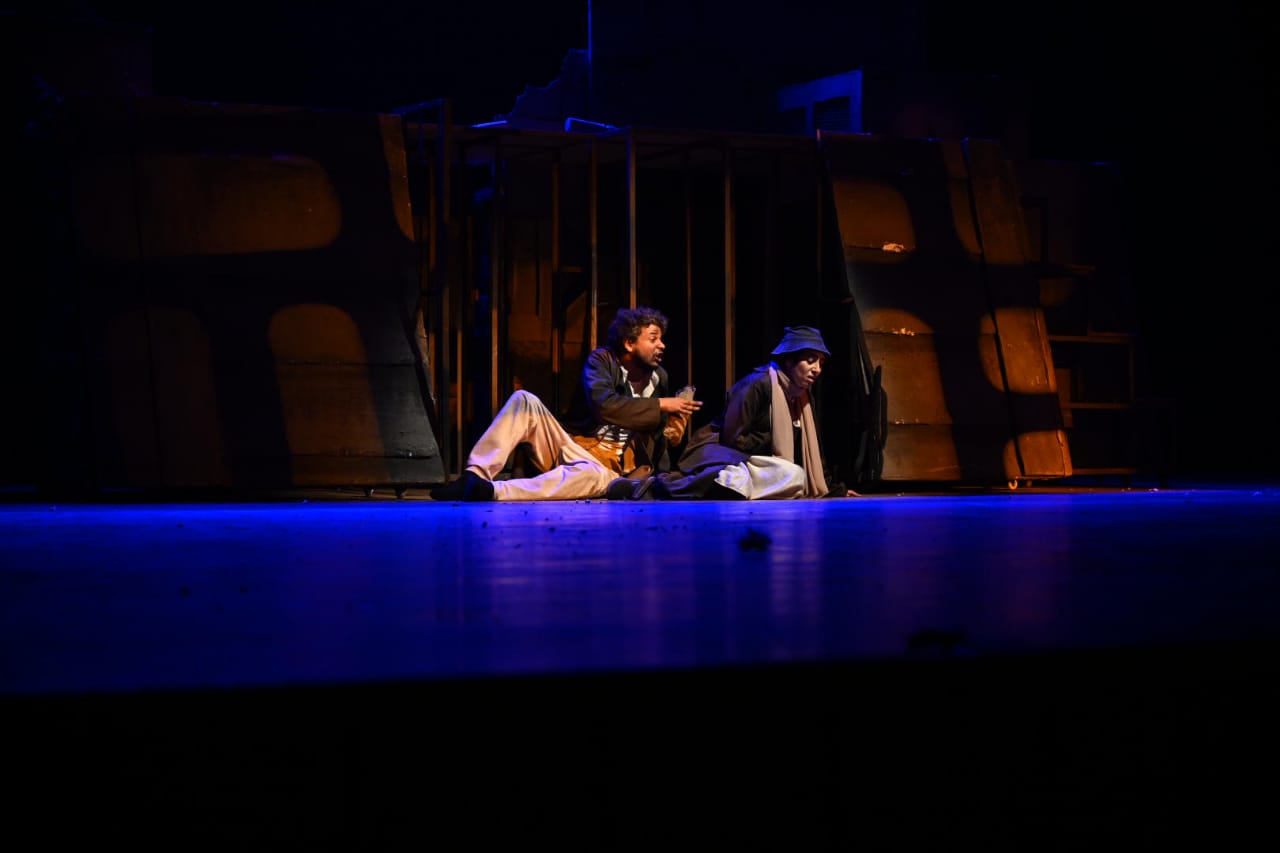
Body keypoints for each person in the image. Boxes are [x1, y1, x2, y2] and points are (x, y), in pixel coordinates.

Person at [429, 306, 701, 501]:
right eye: (653, 339)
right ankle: (475, 476)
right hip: (575, 448)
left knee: (592, 477)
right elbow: (604, 406)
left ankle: (493, 491)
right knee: (524, 400)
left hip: (610, 471)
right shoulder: (603, 360)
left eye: (661, 339)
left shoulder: (660, 378)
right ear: (629, 343)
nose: (662, 345)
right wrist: (661, 405)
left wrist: (668, 446)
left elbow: (658, 442)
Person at [655, 325, 854, 500]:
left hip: (759, 463)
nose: (817, 369)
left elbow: (815, 451)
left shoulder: (803, 396)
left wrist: (832, 488)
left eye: (820, 362)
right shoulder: (758, 384)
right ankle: (675, 485)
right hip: (724, 454)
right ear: (789, 361)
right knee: (751, 477)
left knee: (794, 476)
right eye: (810, 361)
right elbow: (733, 439)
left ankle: (745, 489)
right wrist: (769, 438)